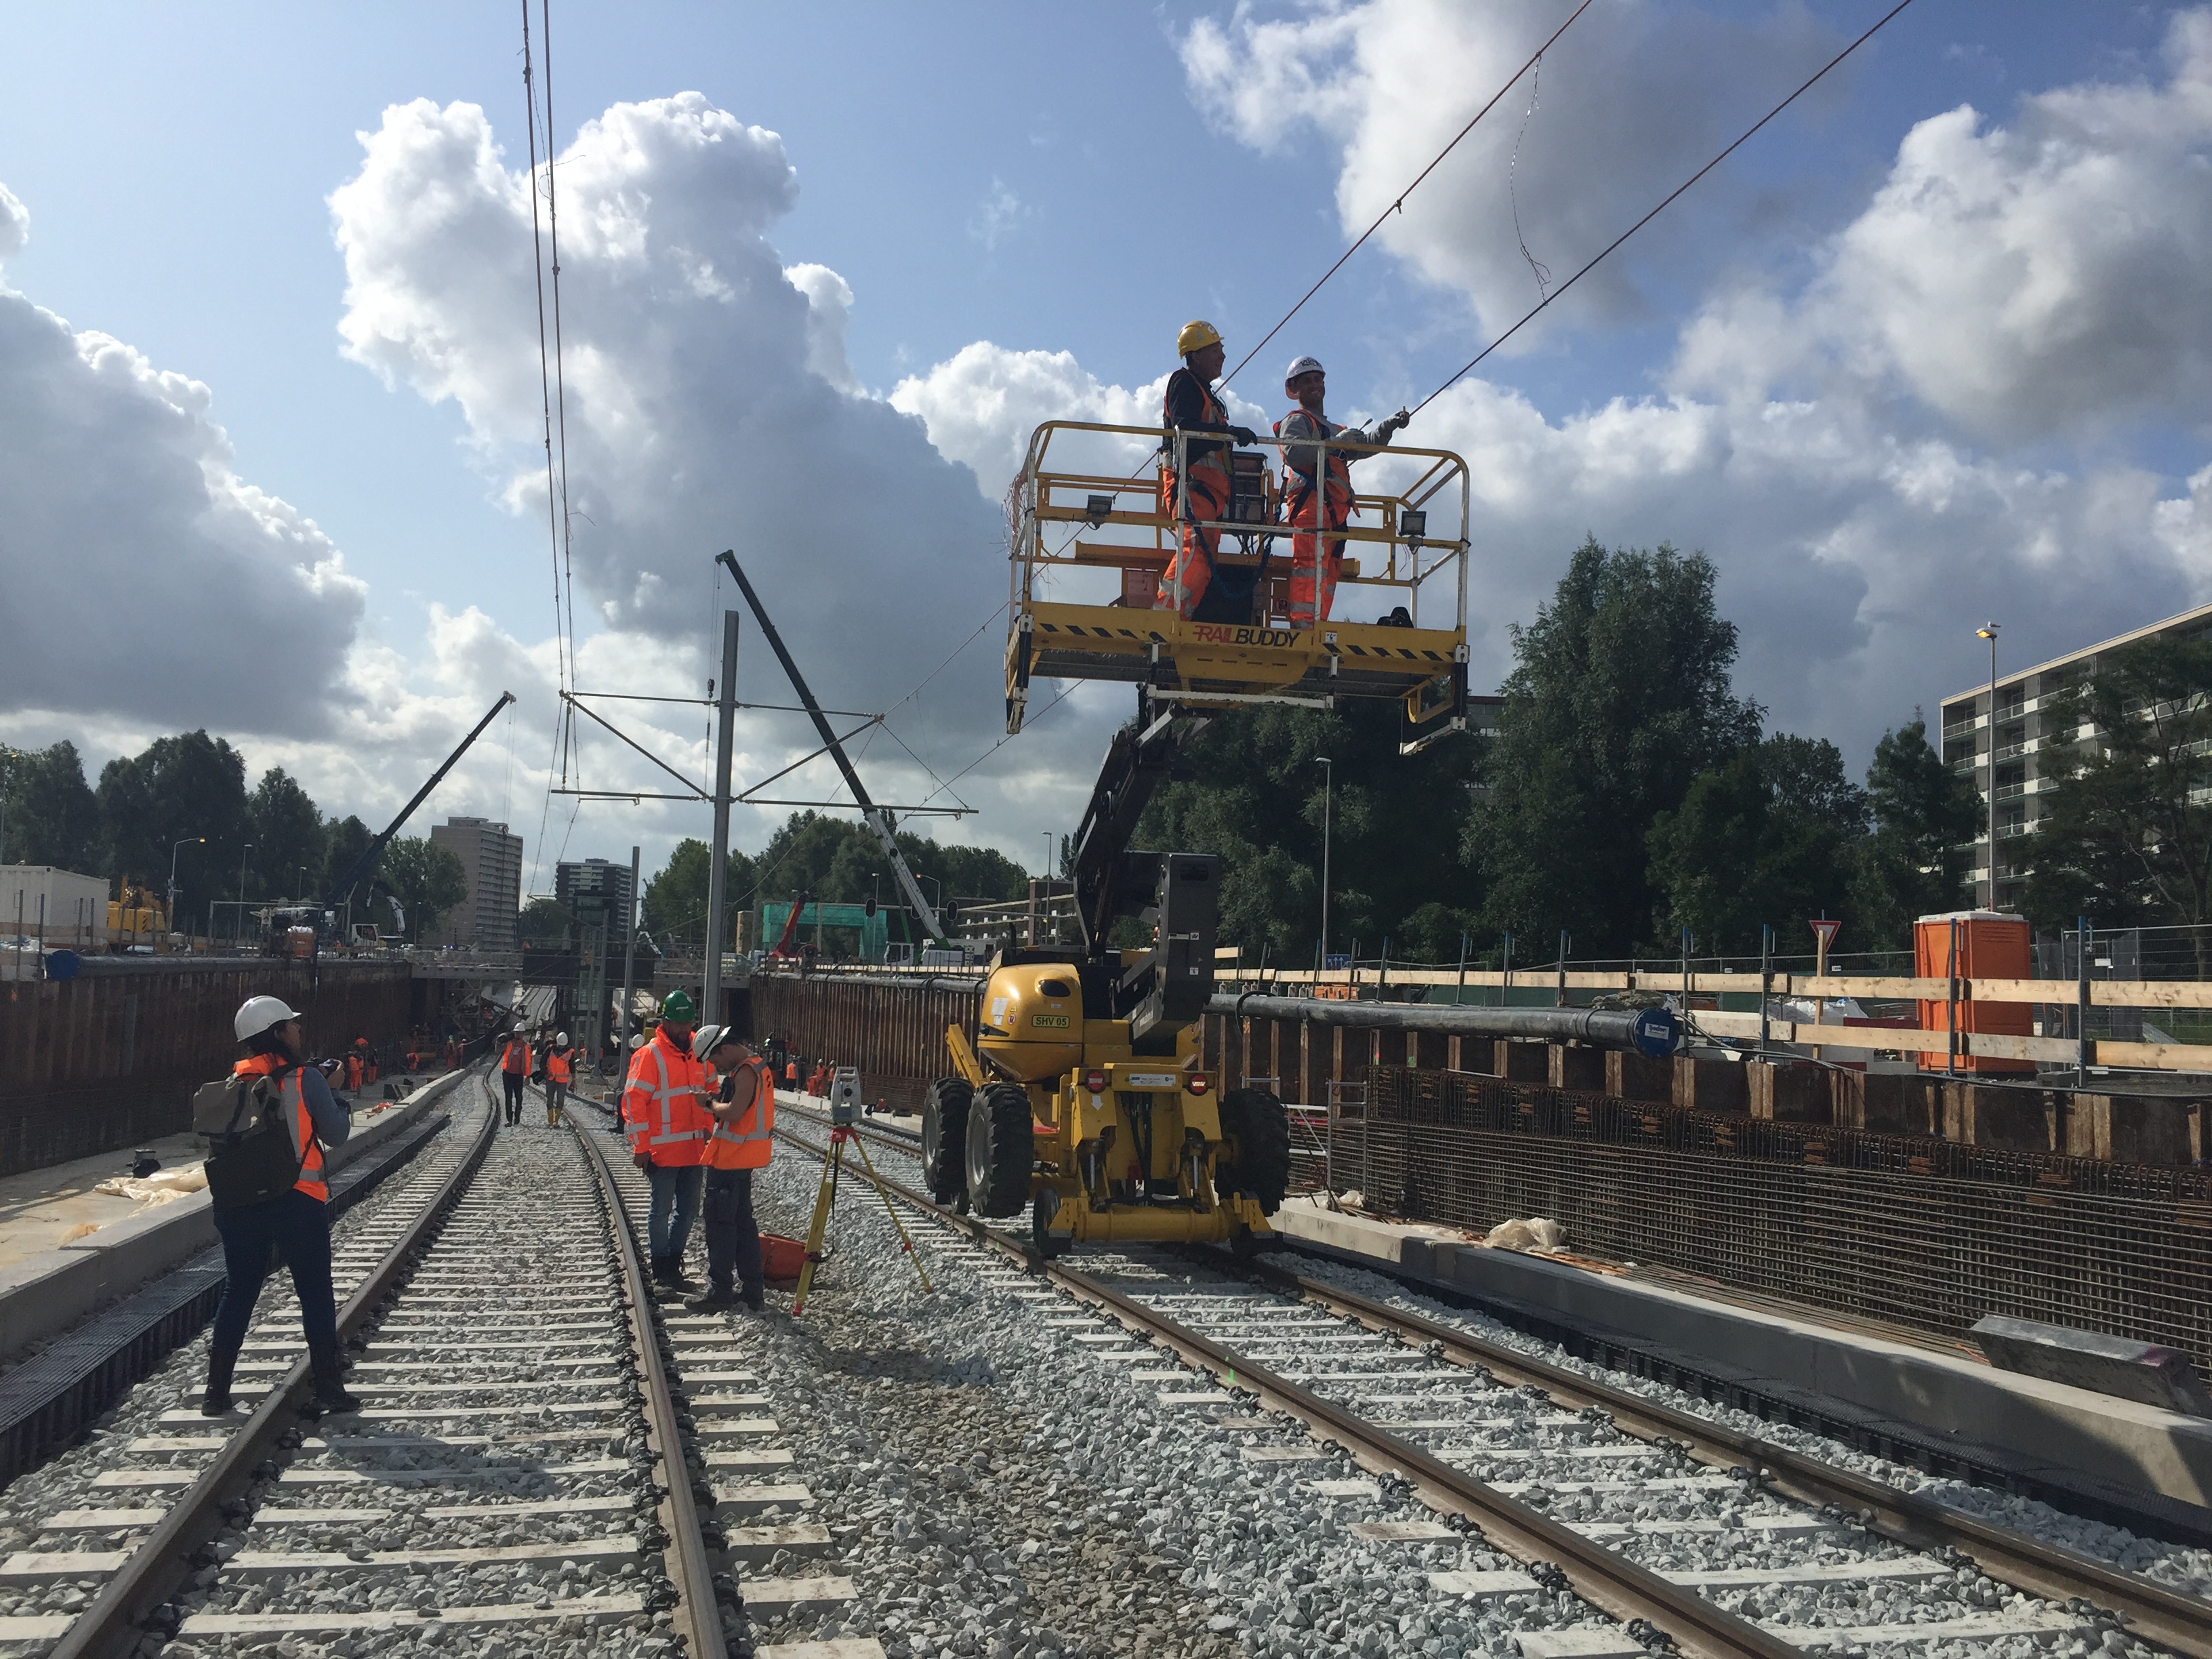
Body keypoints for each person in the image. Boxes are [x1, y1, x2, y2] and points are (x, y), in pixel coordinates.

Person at [201, 996, 359, 1417]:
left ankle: (216, 1393)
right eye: (292, 1024)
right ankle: (328, 1386)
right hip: (296, 1200)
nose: (298, 1030)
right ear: (278, 1033)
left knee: (240, 1289)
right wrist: (337, 1093)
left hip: (238, 1206)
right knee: (314, 1292)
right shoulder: (306, 1078)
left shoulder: (235, 1081)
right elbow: (338, 1135)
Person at [1272, 356, 1408, 630]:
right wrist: (1334, 444)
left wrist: (1388, 426)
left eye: (1318, 379)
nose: (1315, 384)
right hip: (1311, 512)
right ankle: (1303, 630)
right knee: (1309, 571)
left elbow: (1365, 446)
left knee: (1326, 577)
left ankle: (1317, 626)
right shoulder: (1297, 421)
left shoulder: (1333, 430)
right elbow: (1295, 453)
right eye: (1307, 380)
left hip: (1334, 516)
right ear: (1294, 389)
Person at [1156, 319, 1259, 619]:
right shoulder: (1183, 382)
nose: (1223, 356)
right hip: (1191, 486)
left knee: (1202, 558)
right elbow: (1185, 428)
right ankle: (1164, 619)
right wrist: (1228, 435)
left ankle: (1177, 619)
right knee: (1195, 554)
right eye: (1216, 349)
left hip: (1207, 494)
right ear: (1196, 355)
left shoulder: (1204, 392)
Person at [621, 991, 712, 1293]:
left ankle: (673, 1265)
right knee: (660, 1211)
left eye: (688, 1022)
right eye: (679, 1023)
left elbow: (711, 1091)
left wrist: (710, 1128)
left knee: (687, 1212)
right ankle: (661, 1270)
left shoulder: (699, 1053)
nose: (684, 1029)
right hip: (662, 1151)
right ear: (665, 1021)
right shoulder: (651, 1055)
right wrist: (641, 1147)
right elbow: (634, 1102)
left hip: (694, 1150)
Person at [687, 1027, 773, 1312]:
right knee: (744, 1226)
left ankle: (721, 1291)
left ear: (722, 1049)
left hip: (730, 1161)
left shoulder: (747, 1071)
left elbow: (735, 1113)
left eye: (714, 1060)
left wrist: (709, 1103)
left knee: (721, 1227)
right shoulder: (757, 1067)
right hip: (741, 1160)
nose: (715, 1067)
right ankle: (752, 1292)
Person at [498, 1027, 531, 1126]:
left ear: (523, 1034)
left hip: (519, 1075)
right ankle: (509, 1119)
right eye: (517, 1033)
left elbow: (528, 1062)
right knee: (508, 1097)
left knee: (519, 1097)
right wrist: (500, 1040)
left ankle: (517, 1116)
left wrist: (528, 1076)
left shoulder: (526, 1046)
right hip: (507, 1073)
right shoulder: (509, 1044)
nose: (518, 1035)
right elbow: (498, 1050)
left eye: (520, 1033)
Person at [544, 1033, 572, 1126]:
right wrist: (545, 1073)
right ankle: (550, 1119)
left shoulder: (570, 1051)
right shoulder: (550, 1049)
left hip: (562, 1081)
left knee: (560, 1100)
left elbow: (572, 1065)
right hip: (551, 1078)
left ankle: (556, 1120)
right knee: (549, 1099)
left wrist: (574, 1079)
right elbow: (543, 1061)